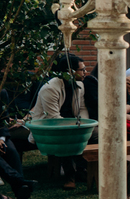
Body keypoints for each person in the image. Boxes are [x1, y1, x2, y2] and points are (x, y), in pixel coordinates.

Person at [29, 52, 93, 191]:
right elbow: (53, 118)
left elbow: (82, 108)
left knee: (96, 133)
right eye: (82, 69)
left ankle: (83, 169)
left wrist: (84, 125)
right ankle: (70, 175)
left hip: (73, 124)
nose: (85, 72)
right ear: (70, 71)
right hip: (48, 127)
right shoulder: (50, 88)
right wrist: (76, 128)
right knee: (67, 136)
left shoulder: (79, 85)